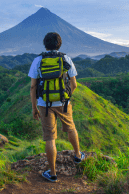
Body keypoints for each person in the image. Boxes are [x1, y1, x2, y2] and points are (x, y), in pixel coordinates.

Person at [28, 32, 85, 182]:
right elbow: (74, 84)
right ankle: (78, 156)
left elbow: (33, 87)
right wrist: (66, 97)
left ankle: (52, 174)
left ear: (45, 44)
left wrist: (34, 108)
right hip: (63, 103)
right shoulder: (65, 58)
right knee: (71, 128)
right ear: (59, 44)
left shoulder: (38, 60)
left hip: (44, 104)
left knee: (50, 137)